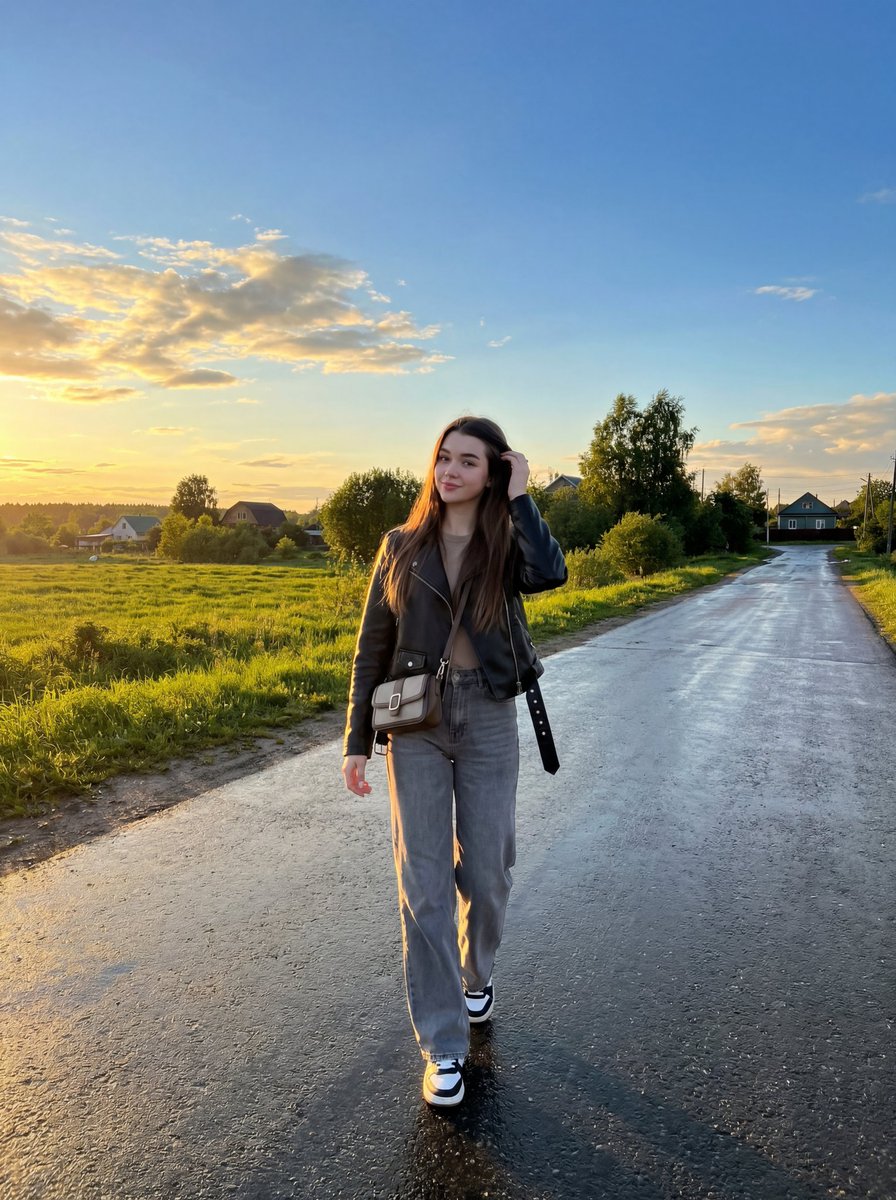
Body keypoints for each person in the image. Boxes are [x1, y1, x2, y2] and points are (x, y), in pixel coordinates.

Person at [341, 416, 566, 1107]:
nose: (451, 471)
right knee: (424, 882)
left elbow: (551, 573)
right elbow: (371, 647)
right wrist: (357, 740)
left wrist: (523, 495)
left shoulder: (507, 545)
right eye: (444, 458)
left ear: (492, 471)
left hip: (491, 714)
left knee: (490, 871)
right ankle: (443, 1045)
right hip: (417, 723)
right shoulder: (401, 546)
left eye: (470, 461)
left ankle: (476, 976)